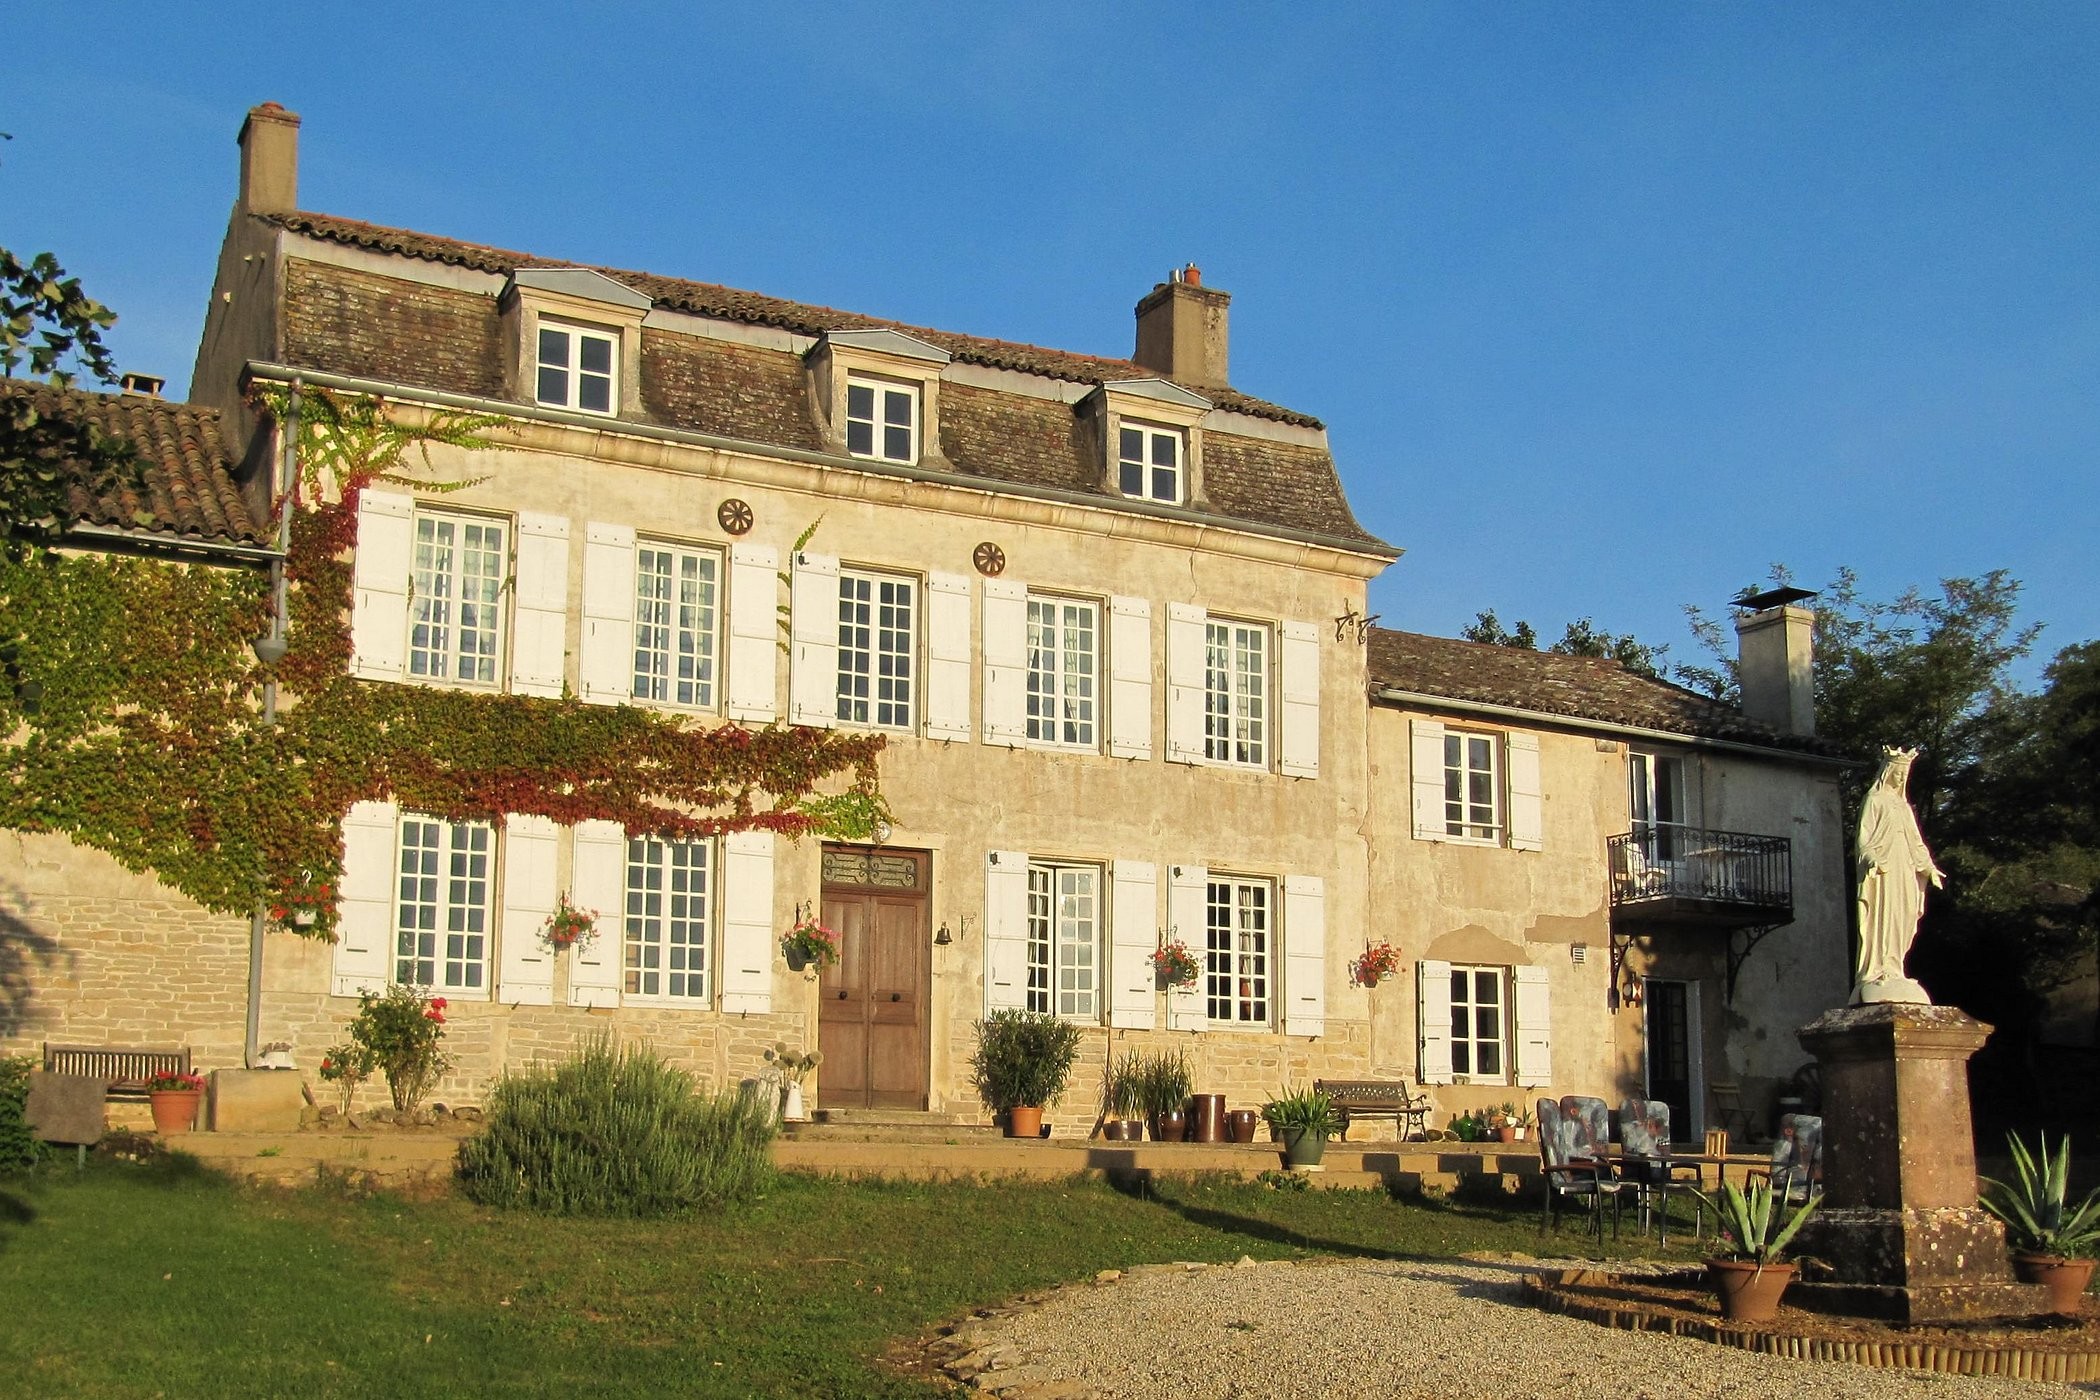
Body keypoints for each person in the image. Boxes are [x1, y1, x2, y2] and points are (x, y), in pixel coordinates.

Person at [1852, 747, 1942, 1004]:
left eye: (1905, 774)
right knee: (1883, 915)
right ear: (1888, 771)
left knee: (1902, 914)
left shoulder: (1903, 806)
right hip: (1883, 869)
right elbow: (1864, 838)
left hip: (1903, 867)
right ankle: (1878, 968)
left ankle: (1895, 968)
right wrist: (1869, 858)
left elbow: (1916, 842)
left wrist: (1928, 867)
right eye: (1899, 773)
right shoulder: (1874, 800)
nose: (1902, 778)